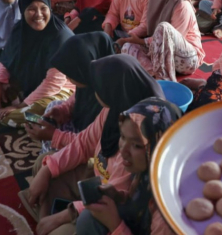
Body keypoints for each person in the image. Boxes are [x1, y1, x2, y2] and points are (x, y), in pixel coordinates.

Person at [25, 55, 164, 233]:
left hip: (112, 208)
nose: (123, 148)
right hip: (100, 180)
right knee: (46, 163)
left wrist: (65, 215)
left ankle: (49, 222)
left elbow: (114, 196)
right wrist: (47, 171)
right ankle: (45, 221)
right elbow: (84, 143)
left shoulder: (141, 134)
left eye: (98, 87)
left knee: (74, 225)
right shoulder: (113, 110)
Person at [74, 98, 180, 235]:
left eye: (136, 145)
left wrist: (115, 225)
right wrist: (119, 198)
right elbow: (138, 206)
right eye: (123, 137)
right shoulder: (147, 173)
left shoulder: (166, 216)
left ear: (160, 147)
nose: (123, 151)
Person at [25, 32, 116, 152]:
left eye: (72, 73)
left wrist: (54, 136)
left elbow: (91, 143)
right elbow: (75, 99)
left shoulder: (108, 102)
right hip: (80, 130)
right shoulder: (93, 81)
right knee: (54, 105)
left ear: (85, 69)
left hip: (93, 146)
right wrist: (63, 111)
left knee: (52, 152)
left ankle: (51, 159)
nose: (67, 78)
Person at [119, 0, 204, 82]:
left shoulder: (183, 5)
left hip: (187, 59)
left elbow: (168, 40)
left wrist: (140, 41)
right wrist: (130, 39)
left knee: (164, 27)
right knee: (128, 48)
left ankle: (164, 80)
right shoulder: (158, 0)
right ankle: (155, 75)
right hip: (163, 56)